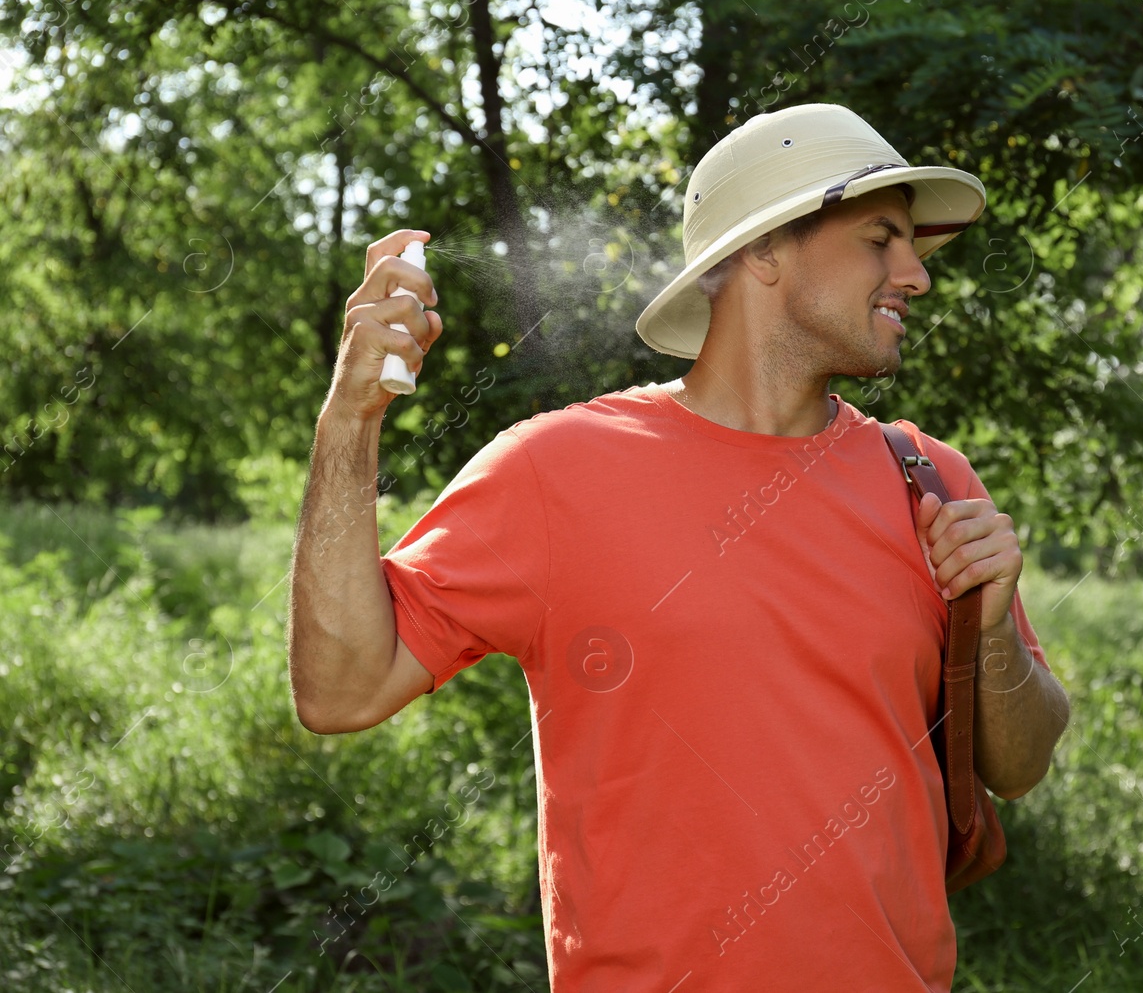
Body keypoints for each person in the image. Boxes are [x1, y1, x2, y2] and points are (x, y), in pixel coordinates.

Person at [286, 102, 1071, 991]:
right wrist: (350, 421)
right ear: (765, 249)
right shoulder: (559, 469)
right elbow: (341, 688)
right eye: (881, 237)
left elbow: (1021, 762)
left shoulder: (927, 476)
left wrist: (994, 621)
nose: (915, 275)